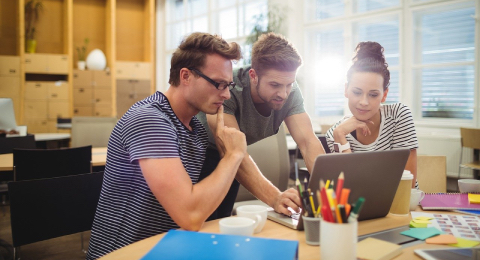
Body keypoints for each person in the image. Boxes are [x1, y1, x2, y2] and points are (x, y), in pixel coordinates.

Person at [86, 32, 246, 259]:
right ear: (186, 76)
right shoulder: (150, 119)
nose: (227, 95)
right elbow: (190, 216)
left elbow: (198, 204)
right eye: (219, 84)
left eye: (228, 85)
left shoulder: (197, 130)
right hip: (125, 254)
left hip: (166, 248)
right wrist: (234, 155)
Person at [197, 32, 325, 219]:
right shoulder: (227, 88)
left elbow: (307, 142)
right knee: (203, 226)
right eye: (274, 85)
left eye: (289, 84)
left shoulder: (289, 90)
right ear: (253, 75)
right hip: (200, 156)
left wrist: (329, 193)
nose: (283, 93)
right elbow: (231, 151)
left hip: (233, 160)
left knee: (222, 224)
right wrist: (275, 198)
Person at [325, 41, 419, 188]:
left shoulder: (398, 115)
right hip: (361, 209)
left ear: (384, 95)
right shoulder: (336, 133)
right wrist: (340, 136)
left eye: (373, 95)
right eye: (357, 92)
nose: (364, 102)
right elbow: (348, 189)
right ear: (346, 90)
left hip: (401, 206)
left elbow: (408, 184)